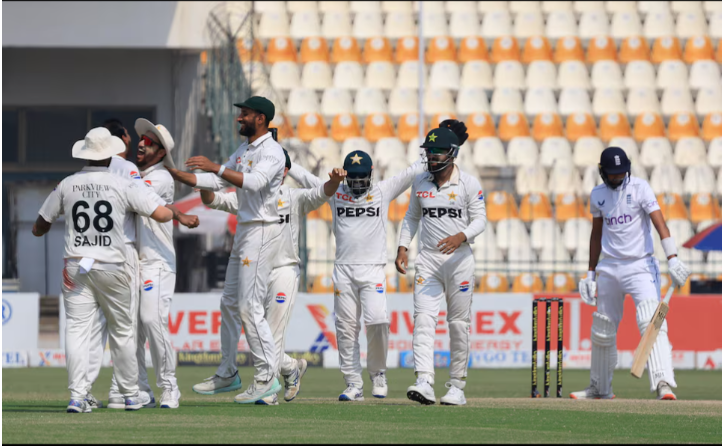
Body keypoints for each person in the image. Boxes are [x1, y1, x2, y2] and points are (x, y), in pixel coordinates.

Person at [32, 127, 174, 413]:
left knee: (76, 330)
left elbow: (38, 227)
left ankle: (77, 396)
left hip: (75, 265)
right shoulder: (122, 183)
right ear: (110, 155)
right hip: (114, 265)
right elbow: (162, 213)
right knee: (123, 331)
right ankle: (131, 394)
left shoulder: (67, 184)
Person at [192, 151, 346, 405]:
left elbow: (322, 193)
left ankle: (268, 392)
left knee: (273, 336)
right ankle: (291, 367)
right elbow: (213, 200)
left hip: (283, 270)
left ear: (284, 172)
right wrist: (205, 182)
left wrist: (335, 181)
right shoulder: (249, 199)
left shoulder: (295, 197)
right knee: (258, 335)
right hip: (253, 268)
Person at [167, 96, 287, 404]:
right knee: (230, 303)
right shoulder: (245, 150)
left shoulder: (272, 152)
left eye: (244, 114)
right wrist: (178, 174)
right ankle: (228, 372)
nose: (239, 118)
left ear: (261, 118)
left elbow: (255, 182)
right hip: (246, 231)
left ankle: (266, 377)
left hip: (262, 229)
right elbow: (213, 180)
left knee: (249, 307)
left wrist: (216, 167)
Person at [85, 120, 197, 410]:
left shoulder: (159, 178)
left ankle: (170, 387)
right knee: (130, 330)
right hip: (133, 261)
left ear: (161, 153)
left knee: (151, 319)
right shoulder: (135, 173)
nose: (142, 143)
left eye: (149, 141)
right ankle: (141, 389)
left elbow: (128, 195)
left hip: (157, 261)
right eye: (141, 139)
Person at [572, 147, 691, 400]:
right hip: (610, 267)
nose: (617, 178)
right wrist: (590, 274)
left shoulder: (640, 188)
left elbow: (660, 223)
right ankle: (600, 388)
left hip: (641, 265)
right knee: (603, 327)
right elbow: (596, 234)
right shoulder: (597, 195)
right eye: (612, 174)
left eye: (621, 173)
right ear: (602, 172)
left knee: (652, 320)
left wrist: (673, 258)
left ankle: (663, 383)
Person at [395, 127, 487, 406]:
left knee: (458, 325)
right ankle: (424, 380)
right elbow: (411, 217)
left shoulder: (468, 183)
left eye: (437, 152)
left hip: (460, 262)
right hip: (429, 262)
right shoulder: (420, 183)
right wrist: (402, 247)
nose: (432, 157)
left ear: (452, 154)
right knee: (423, 320)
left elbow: (481, 219)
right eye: (429, 152)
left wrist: (462, 236)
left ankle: (457, 386)